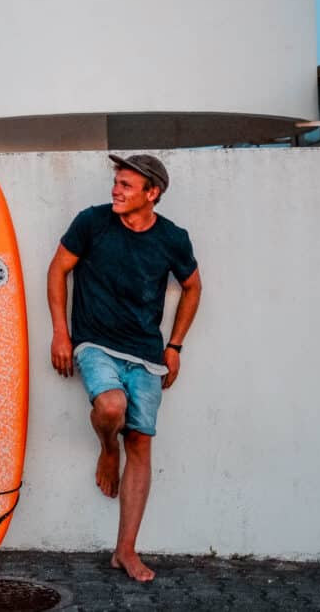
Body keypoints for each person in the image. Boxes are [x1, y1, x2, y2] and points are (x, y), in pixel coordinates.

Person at [47, 154, 202, 582]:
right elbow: (58, 270)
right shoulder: (92, 223)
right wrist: (62, 333)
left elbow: (192, 287)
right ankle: (106, 448)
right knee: (112, 408)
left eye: (126, 185)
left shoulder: (172, 238)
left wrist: (175, 346)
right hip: (95, 344)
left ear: (152, 194)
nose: (116, 190)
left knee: (141, 443)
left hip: (147, 355)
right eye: (116, 182)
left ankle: (125, 551)